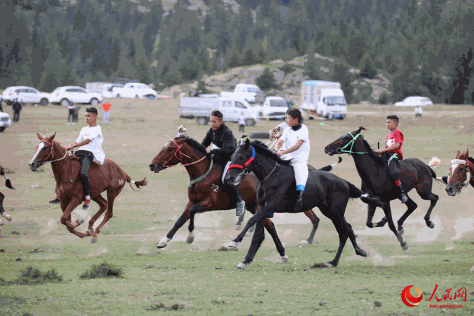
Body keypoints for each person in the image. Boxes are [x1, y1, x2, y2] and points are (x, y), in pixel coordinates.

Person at [201, 110, 245, 216]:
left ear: (220, 121)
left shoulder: (227, 132)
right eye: (211, 122)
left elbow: (228, 150)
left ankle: (239, 201)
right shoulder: (211, 131)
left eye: (214, 122)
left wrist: (211, 152)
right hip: (218, 156)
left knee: (226, 178)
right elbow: (204, 143)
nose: (212, 124)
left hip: (230, 158)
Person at [65, 107, 105, 210]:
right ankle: (60, 193)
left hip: (89, 153)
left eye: (89, 116)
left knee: (83, 173)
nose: (86, 118)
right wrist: (67, 146)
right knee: (64, 168)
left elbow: (87, 141)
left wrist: (72, 146)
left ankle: (87, 197)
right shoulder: (84, 129)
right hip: (79, 152)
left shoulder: (97, 129)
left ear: (95, 117)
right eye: (85, 116)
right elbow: (77, 141)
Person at [275, 109, 310, 212]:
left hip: (299, 157)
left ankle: (299, 197)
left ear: (296, 120)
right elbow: (280, 141)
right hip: (285, 155)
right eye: (286, 118)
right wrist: (276, 149)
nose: (286, 120)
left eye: (288, 118)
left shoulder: (304, 129)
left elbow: (297, 146)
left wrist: (282, 152)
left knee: (300, 172)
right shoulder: (288, 128)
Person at [375, 115, 408, 203]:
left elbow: (397, 145)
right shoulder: (388, 135)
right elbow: (387, 147)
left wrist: (384, 150)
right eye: (386, 122)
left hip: (394, 155)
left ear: (396, 123)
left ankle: (402, 193)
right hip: (387, 154)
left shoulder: (397, 132)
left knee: (393, 172)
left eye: (389, 122)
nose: (387, 124)